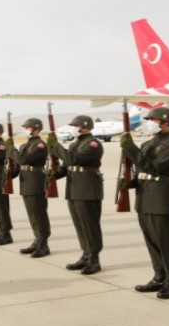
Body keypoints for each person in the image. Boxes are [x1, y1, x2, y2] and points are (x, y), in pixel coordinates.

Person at [120, 106, 169, 299]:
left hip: (160, 197)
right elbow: (141, 169)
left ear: (165, 122)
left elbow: (154, 167)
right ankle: (159, 276)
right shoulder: (149, 143)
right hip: (144, 195)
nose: (149, 123)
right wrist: (129, 181)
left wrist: (130, 148)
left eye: (152, 120)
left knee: (166, 241)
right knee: (152, 240)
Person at [48, 115, 104, 274]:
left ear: (84, 126)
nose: (72, 128)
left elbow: (73, 159)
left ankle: (94, 259)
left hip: (87, 188)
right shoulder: (75, 144)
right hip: (74, 188)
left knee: (89, 224)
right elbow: (67, 167)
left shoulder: (93, 144)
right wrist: (53, 174)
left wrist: (56, 147)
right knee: (80, 224)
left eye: (75, 125)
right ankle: (85, 254)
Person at [6, 118, 52, 257]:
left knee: (39, 214)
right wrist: (8, 175)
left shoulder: (40, 145)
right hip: (26, 182)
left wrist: (10, 150)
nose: (25, 129)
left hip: (36, 182)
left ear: (36, 129)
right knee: (32, 214)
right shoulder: (25, 145)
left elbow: (23, 160)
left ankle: (44, 244)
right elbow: (19, 164)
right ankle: (37, 240)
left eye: (28, 127)